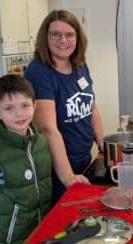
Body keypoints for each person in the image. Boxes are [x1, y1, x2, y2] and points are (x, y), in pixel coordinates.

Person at [24, 10, 104, 202]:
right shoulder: (39, 72)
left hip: (83, 160)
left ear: (78, 38)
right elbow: (47, 128)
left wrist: (104, 146)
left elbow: (91, 108)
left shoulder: (79, 65)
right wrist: (68, 177)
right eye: (56, 34)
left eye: (69, 34)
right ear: (45, 37)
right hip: (57, 170)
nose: (63, 40)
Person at [0, 74, 52, 244]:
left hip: (38, 234)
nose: (19, 114)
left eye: (25, 105)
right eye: (9, 108)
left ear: (35, 105)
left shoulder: (42, 143)